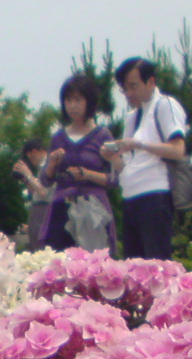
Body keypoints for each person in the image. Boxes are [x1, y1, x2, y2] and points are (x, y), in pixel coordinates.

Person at [101, 57, 188, 260]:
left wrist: (138, 144)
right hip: (131, 197)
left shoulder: (165, 105)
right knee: (133, 268)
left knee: (156, 264)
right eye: (125, 89)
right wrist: (113, 157)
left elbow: (178, 149)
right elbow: (127, 166)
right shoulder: (133, 117)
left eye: (134, 86)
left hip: (155, 195)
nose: (130, 94)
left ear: (151, 82)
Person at [39, 75, 117, 253]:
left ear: (89, 102)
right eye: (68, 100)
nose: (72, 105)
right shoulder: (58, 137)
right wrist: (51, 164)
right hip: (61, 210)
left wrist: (87, 174)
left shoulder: (102, 135)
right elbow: (45, 180)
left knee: (94, 267)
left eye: (78, 100)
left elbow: (114, 178)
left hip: (93, 211)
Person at [12, 139, 51, 251]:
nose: (31, 160)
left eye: (30, 156)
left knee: (41, 247)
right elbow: (36, 192)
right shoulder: (41, 168)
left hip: (45, 209)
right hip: (38, 210)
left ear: (34, 151)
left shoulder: (48, 165)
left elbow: (44, 192)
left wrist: (27, 174)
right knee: (36, 244)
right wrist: (25, 179)